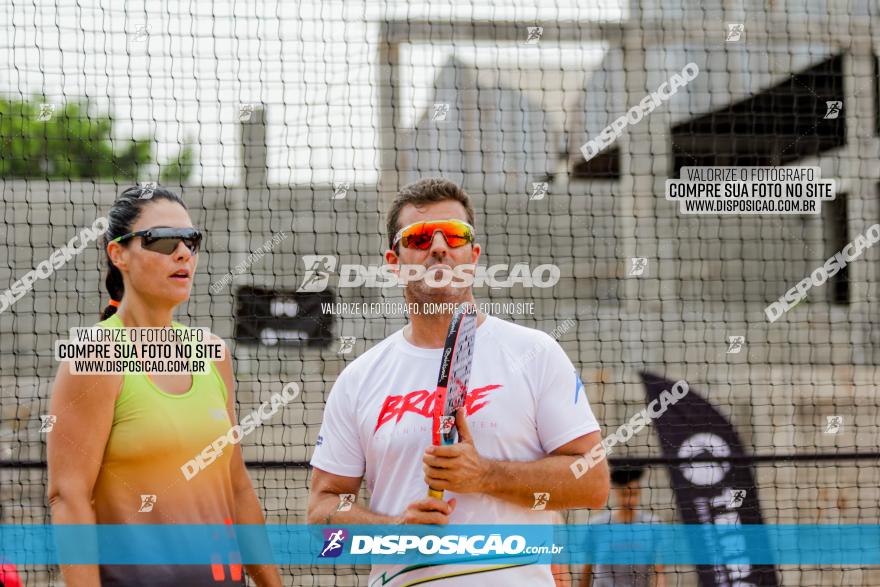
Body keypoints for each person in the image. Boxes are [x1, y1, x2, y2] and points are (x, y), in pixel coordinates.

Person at [307, 178, 610, 585]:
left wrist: (485, 476)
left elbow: (593, 484)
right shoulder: (358, 379)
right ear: (394, 263)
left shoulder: (535, 353)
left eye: (454, 235)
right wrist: (392, 535)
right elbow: (322, 518)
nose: (437, 247)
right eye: (417, 238)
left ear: (473, 256)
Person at [47, 186, 282, 587]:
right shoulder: (95, 355)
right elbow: (68, 499)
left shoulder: (213, 354)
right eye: (163, 240)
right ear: (118, 254)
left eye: (191, 240)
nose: (183, 253)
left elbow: (238, 487)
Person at [580, 465, 666, 587]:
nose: (629, 501)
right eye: (625, 494)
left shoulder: (653, 524)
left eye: (634, 494)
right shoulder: (597, 524)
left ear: (640, 492)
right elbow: (587, 569)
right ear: (616, 492)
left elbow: (659, 570)